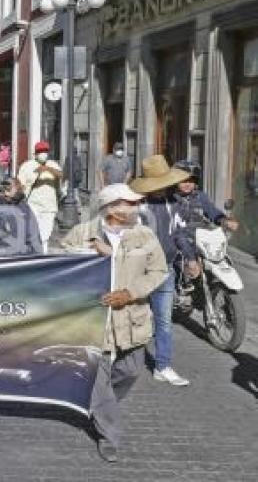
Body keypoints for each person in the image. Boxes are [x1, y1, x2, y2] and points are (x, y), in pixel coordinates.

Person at [61, 183, 167, 462]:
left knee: (131, 371)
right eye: (129, 204)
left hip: (132, 318)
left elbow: (158, 271)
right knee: (98, 378)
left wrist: (130, 292)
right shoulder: (82, 233)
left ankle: (98, 404)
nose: (135, 208)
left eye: (136, 204)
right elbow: (60, 269)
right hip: (94, 318)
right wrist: (85, 256)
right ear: (111, 208)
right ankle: (109, 434)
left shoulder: (145, 235)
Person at [129, 155, 192, 387]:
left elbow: (179, 234)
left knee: (164, 320)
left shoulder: (174, 203)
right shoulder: (137, 206)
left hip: (165, 269)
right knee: (134, 317)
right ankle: (124, 361)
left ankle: (162, 366)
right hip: (139, 271)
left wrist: (190, 257)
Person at [171, 159, 239, 284]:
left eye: (191, 181)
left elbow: (211, 210)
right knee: (178, 263)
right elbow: (174, 231)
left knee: (222, 257)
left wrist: (224, 220)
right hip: (178, 240)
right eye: (184, 180)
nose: (188, 184)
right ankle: (180, 285)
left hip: (200, 239)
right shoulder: (170, 199)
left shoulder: (200, 196)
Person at [0, 177, 42, 257]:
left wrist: (38, 256)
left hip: (21, 256)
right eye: (16, 188)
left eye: (19, 188)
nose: (19, 190)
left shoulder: (24, 207)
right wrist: (1, 230)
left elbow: (34, 235)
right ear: (6, 191)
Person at [17, 141, 62, 252]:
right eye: (40, 151)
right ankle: (33, 252)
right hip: (33, 204)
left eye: (45, 151)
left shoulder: (53, 164)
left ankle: (43, 253)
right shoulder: (27, 166)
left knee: (45, 234)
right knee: (33, 231)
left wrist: (47, 169)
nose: (43, 153)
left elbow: (61, 175)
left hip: (49, 206)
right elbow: (20, 184)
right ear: (35, 153)